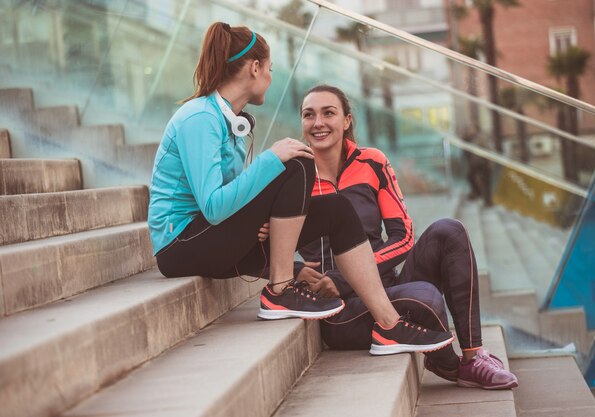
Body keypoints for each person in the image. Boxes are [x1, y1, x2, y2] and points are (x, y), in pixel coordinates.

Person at [147, 22, 455, 355]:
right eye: (269, 69)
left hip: (214, 240)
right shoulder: (199, 118)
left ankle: (389, 326)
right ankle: (279, 291)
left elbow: (233, 203)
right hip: (181, 246)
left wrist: (261, 225)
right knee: (295, 160)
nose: (270, 76)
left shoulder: (229, 122)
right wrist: (269, 161)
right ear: (254, 68)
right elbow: (214, 207)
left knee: (337, 209)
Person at [291, 84, 518, 390]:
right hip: (341, 310)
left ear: (346, 120)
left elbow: (403, 235)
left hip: (385, 284)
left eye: (328, 113)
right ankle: (448, 364)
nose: (318, 122)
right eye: (309, 115)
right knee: (425, 299)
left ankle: (473, 355)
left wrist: (349, 276)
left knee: (449, 231)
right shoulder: (294, 177)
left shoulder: (372, 162)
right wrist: (296, 272)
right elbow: (260, 245)